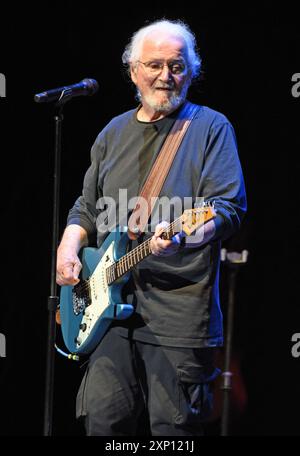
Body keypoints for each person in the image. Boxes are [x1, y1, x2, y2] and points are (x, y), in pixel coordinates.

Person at [56, 18, 247, 436]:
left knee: (174, 436)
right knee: (103, 427)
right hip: (108, 319)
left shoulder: (211, 129)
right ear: (134, 71)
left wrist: (182, 233)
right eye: (155, 65)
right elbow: (86, 208)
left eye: (177, 66)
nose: (166, 76)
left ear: (191, 71)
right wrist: (68, 247)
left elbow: (227, 208)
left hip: (179, 319)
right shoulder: (112, 133)